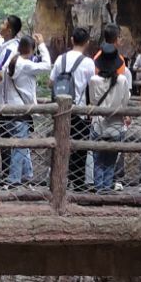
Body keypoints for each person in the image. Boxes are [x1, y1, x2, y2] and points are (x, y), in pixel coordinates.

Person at [50, 25, 95, 193]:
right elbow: (92, 85)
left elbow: (51, 82)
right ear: (87, 42)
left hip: (60, 111)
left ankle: (58, 180)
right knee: (79, 147)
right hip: (80, 110)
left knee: (59, 146)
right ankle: (77, 182)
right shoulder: (88, 63)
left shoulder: (60, 59)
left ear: (71, 40)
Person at [86, 37, 131, 193]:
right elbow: (125, 102)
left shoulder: (93, 80)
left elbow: (92, 101)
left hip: (98, 125)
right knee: (110, 163)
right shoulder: (123, 80)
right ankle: (106, 191)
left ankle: (99, 191)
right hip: (116, 126)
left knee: (98, 161)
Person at [2, 34, 44, 188]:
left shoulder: (12, 61)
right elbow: (47, 66)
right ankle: (14, 180)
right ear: (31, 49)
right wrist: (43, 46)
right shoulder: (25, 65)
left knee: (21, 143)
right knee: (19, 146)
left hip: (10, 110)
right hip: (21, 111)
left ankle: (27, 176)